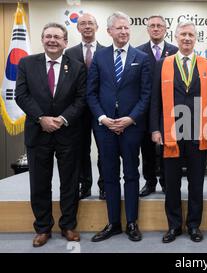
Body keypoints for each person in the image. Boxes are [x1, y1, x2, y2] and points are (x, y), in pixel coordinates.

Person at [15, 22, 86, 247]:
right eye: (48, 36)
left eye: (57, 37)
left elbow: (81, 99)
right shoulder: (27, 63)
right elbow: (21, 95)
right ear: (43, 40)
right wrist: (41, 118)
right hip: (38, 133)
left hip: (68, 133)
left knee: (69, 183)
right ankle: (43, 228)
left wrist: (62, 119)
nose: (52, 40)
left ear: (65, 42)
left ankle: (68, 225)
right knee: (39, 183)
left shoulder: (76, 66)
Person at [150, 21, 207, 243]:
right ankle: (174, 226)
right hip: (171, 133)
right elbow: (155, 100)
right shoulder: (162, 64)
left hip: (198, 133)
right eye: (183, 34)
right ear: (176, 37)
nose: (187, 38)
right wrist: (155, 128)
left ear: (195, 38)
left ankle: (194, 225)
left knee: (196, 182)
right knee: (172, 182)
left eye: (191, 35)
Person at [87, 12, 151, 242]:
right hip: (105, 128)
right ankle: (113, 222)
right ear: (109, 32)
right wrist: (103, 118)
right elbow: (91, 93)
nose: (123, 32)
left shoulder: (141, 58)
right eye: (119, 28)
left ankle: (132, 222)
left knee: (132, 175)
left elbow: (146, 95)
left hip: (131, 127)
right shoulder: (100, 57)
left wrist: (130, 118)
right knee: (110, 176)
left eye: (127, 28)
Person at [65, 13, 105, 200]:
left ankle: (105, 185)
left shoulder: (107, 51)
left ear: (97, 27)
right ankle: (85, 185)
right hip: (78, 110)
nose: (87, 26)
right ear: (78, 28)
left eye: (90, 23)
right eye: (83, 23)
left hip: (101, 109)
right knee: (81, 149)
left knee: (105, 149)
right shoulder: (69, 53)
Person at [137, 15, 178, 197]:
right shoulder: (138, 52)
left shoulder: (176, 51)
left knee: (168, 147)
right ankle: (150, 181)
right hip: (146, 108)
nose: (155, 28)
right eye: (152, 25)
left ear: (165, 29)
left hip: (171, 108)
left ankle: (166, 182)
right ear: (147, 29)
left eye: (159, 26)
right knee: (147, 147)